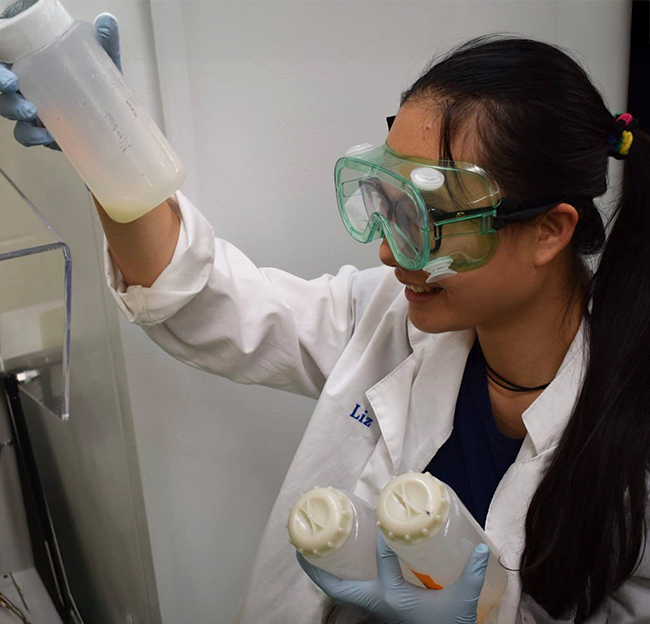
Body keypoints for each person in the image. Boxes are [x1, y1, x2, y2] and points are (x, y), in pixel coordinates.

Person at [2, 12, 649, 624]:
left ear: (548, 231)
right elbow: (199, 299)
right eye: (390, 205)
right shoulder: (389, 317)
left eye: (428, 222)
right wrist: (101, 142)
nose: (389, 249)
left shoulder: (632, 432)